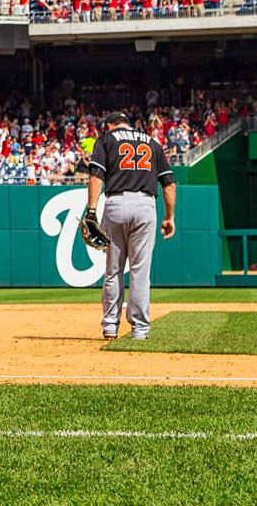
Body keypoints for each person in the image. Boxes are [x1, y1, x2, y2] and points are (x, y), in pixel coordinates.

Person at [86, 110, 176, 341]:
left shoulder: (105, 139)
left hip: (116, 202)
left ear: (109, 126)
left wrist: (92, 211)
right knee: (140, 272)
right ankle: (140, 331)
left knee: (113, 270)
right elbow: (168, 183)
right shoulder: (153, 143)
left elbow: (97, 176)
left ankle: (110, 328)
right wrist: (169, 217)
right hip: (146, 205)